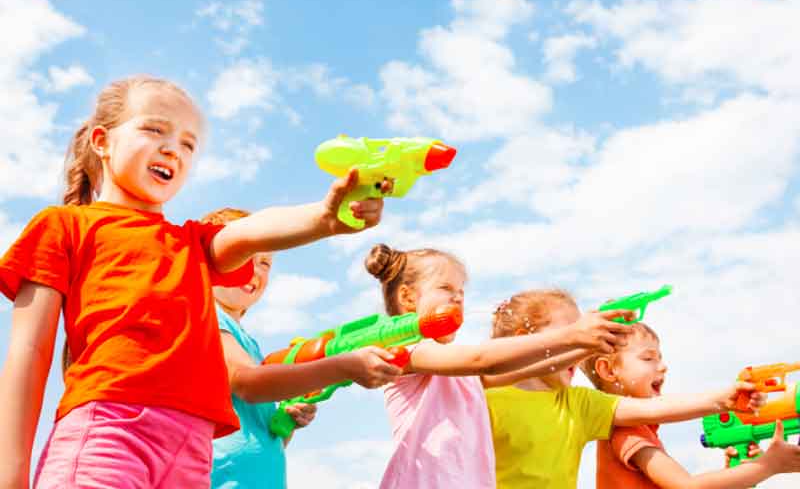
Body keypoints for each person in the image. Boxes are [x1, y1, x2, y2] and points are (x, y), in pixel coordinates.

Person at [0, 75, 388, 489]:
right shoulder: (64, 226)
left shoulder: (192, 243)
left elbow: (250, 232)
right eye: (154, 129)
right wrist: (11, 475)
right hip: (109, 429)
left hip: (192, 447)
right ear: (102, 141)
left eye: (188, 143)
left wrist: (325, 217)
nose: (173, 148)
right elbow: (29, 353)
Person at [364, 244, 636, 489]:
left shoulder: (455, 375)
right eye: (446, 289)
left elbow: (532, 366)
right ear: (408, 297)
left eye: (461, 292)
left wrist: (590, 343)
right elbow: (482, 361)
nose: (458, 299)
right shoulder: (406, 350)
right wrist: (573, 334)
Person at [486, 289, 769, 489]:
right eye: (570, 336)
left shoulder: (578, 403)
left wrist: (720, 399)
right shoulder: (483, 399)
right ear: (524, 340)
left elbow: (654, 408)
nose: (581, 348)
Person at [202, 208, 401, 489]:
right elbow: (246, 383)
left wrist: (285, 421)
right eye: (245, 255)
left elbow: (263, 434)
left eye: (265, 263)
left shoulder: (250, 345)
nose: (255, 270)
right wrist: (341, 367)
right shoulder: (207, 318)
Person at [584, 321, 800, 488]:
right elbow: (687, 486)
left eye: (660, 358)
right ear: (609, 371)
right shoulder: (627, 432)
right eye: (648, 358)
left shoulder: (639, 429)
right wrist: (769, 465)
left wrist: (737, 473)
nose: (663, 367)